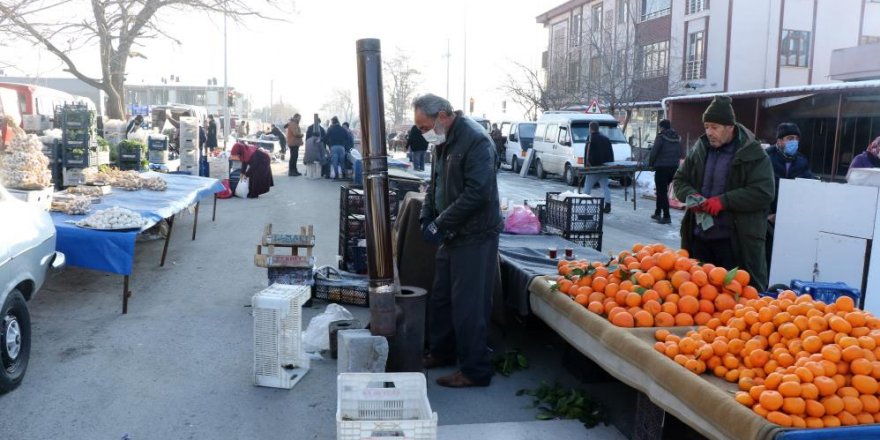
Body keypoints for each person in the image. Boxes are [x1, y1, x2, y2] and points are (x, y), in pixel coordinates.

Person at [416, 93, 502, 388]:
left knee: (469, 306)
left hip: (475, 235)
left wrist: (441, 222)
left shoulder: (475, 140)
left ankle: (475, 370)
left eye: (422, 125)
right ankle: (442, 351)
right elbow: (435, 184)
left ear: (442, 115)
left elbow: (478, 193)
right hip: (453, 233)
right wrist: (427, 216)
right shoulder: (441, 140)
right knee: (441, 298)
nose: (421, 132)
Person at [673, 95, 775, 292]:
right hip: (699, 240)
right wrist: (691, 197)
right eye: (707, 126)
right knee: (698, 298)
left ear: (730, 127)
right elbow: (679, 180)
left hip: (735, 243)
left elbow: (763, 192)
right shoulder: (700, 149)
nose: (709, 132)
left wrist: (724, 201)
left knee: (733, 297)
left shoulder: (753, 154)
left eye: (715, 127)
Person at [765, 122, 814, 270]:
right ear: (779, 141)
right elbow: (760, 188)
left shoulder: (802, 161)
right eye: (790, 138)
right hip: (766, 219)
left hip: (789, 220)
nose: (794, 142)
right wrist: (767, 215)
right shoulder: (766, 158)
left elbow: (806, 188)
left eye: (796, 139)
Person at [648, 119, 682, 224]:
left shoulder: (661, 137)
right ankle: (658, 213)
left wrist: (651, 164)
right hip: (673, 168)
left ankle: (666, 216)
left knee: (661, 192)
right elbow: (681, 152)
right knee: (661, 190)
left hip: (662, 168)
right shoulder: (677, 138)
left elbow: (654, 152)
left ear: (662, 127)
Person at [582, 121, 614, 214]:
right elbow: (610, 153)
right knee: (605, 187)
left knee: (587, 188)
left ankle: (583, 205)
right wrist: (609, 165)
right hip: (604, 167)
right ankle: (608, 205)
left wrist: (587, 166)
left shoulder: (590, 138)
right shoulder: (606, 139)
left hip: (593, 168)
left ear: (590, 128)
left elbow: (587, 153)